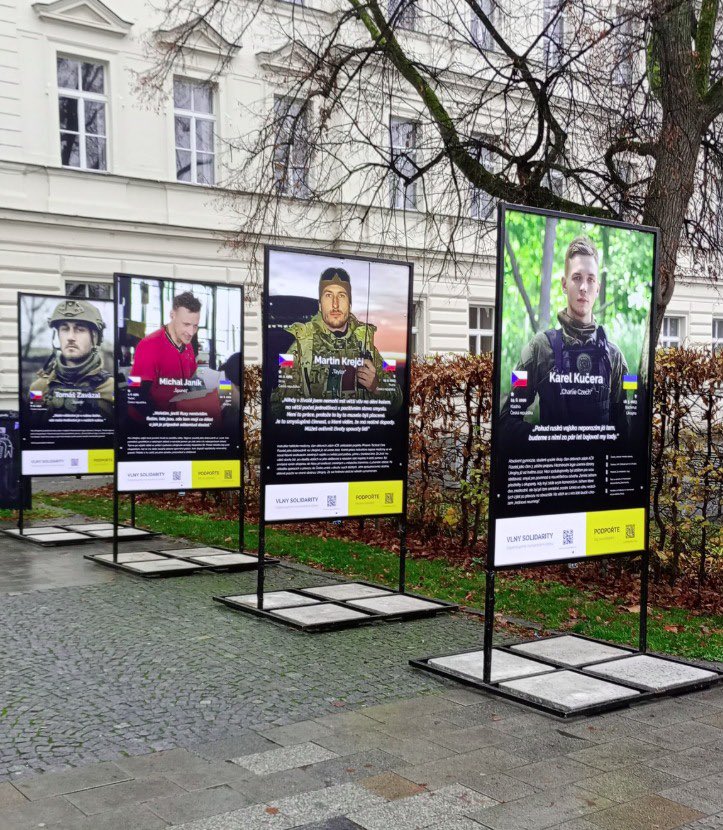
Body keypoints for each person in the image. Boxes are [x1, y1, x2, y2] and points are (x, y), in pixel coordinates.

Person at [500, 236, 629, 443]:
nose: (584, 287)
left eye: (591, 279)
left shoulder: (614, 357)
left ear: (598, 287)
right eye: (577, 277)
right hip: (555, 472)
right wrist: (548, 441)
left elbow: (623, 433)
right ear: (564, 284)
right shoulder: (538, 349)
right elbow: (506, 420)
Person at [274, 267, 402, 412]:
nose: (335, 304)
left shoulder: (367, 345)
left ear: (350, 304)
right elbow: (279, 405)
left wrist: (377, 387)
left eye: (341, 296)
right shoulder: (299, 343)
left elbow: (397, 400)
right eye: (328, 295)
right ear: (320, 305)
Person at [29, 299, 113, 421]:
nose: (70, 337)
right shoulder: (39, 388)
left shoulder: (111, 388)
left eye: (79, 329)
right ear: (57, 335)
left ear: (94, 337)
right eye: (65, 329)